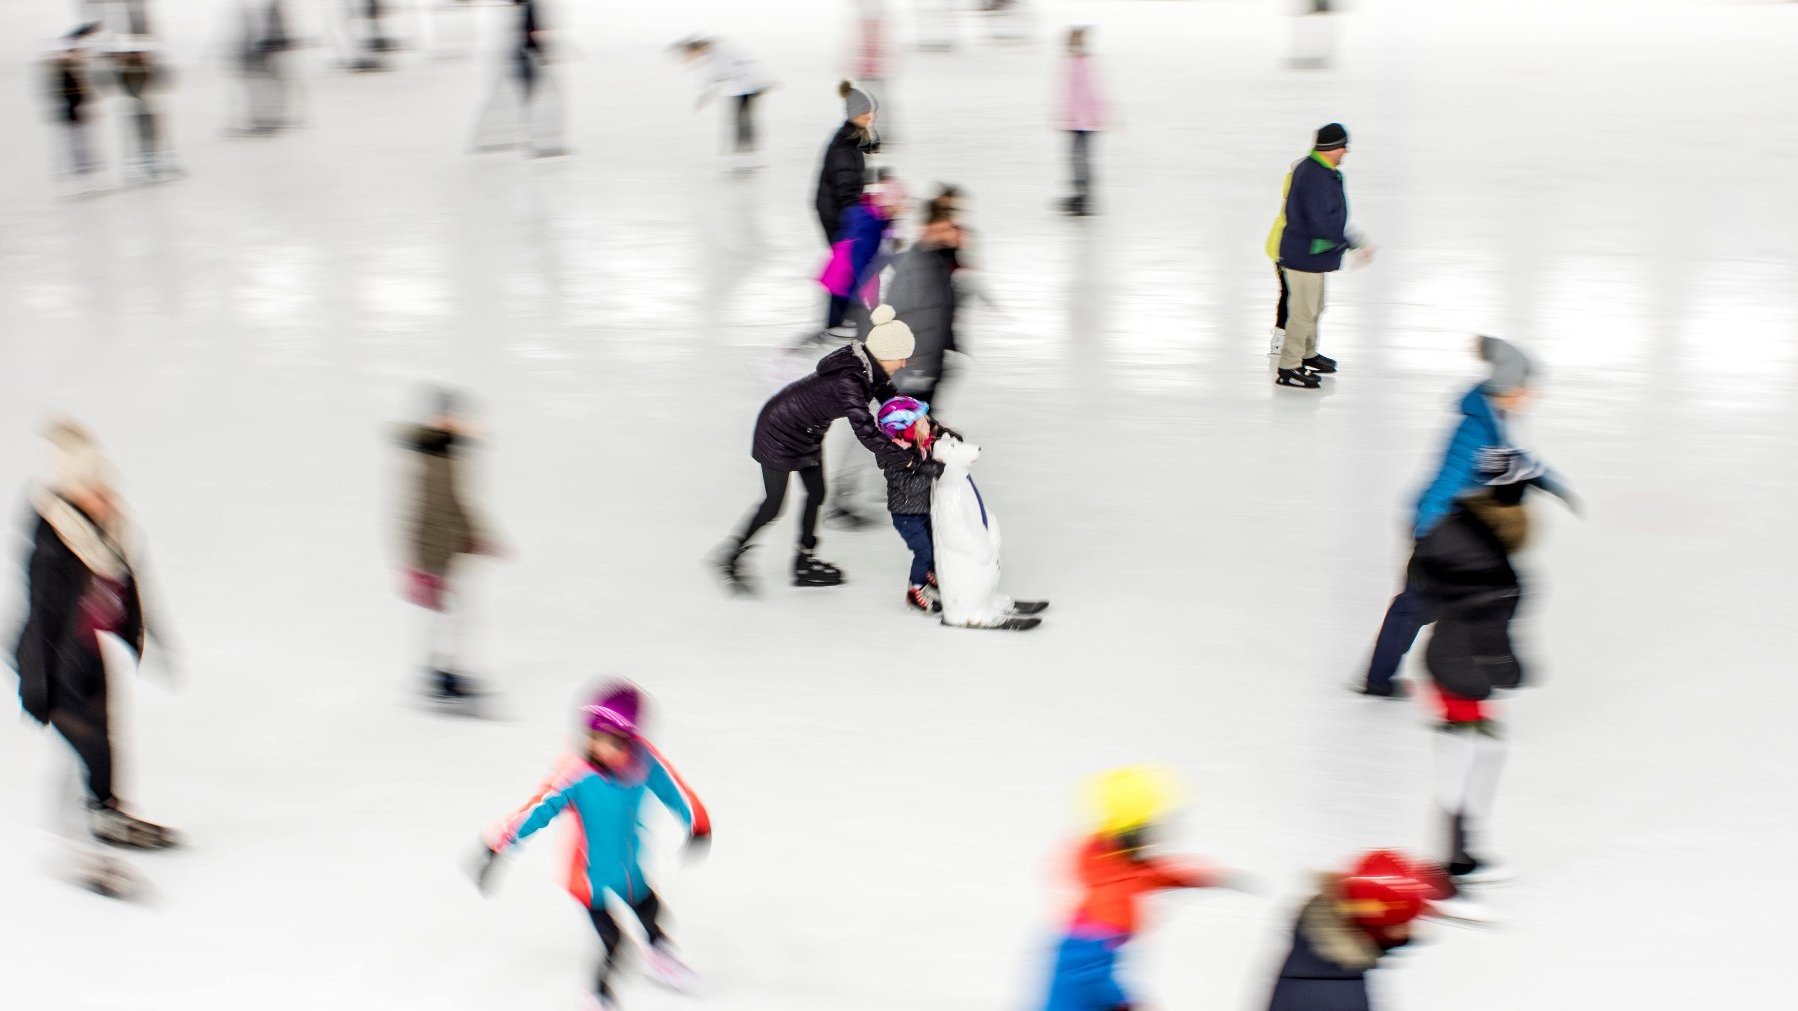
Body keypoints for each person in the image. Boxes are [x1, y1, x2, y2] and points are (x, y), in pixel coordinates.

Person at [12, 421, 179, 897]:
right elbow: (43, 616)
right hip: (51, 659)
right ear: (71, 493)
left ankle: (105, 813)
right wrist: (38, 686)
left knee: (104, 740)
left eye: (103, 486)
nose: (102, 496)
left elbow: (130, 584)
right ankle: (74, 850)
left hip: (88, 652)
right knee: (82, 746)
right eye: (90, 489)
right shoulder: (54, 542)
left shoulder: (112, 529)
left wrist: (149, 636)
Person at [1358, 337, 1571, 698]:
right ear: (1508, 388)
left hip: (1450, 527)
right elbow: (1469, 473)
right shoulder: (1476, 428)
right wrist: (1430, 534)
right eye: (1526, 388)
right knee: (1424, 603)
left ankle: (1392, 676)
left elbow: (1509, 459)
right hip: (1440, 526)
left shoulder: (1488, 418)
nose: (1530, 395)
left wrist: (1544, 478)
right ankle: (1395, 678)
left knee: (1425, 604)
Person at [474, 682, 710, 1007]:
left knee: (653, 911)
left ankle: (658, 955)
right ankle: (598, 996)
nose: (600, 747)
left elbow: (674, 790)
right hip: (588, 878)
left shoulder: (643, 760)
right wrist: (497, 845)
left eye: (611, 741)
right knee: (614, 943)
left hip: (629, 867)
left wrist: (697, 823)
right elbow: (537, 810)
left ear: (629, 739)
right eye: (593, 737)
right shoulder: (576, 773)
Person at [715, 306, 916, 593]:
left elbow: (893, 403)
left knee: (816, 493)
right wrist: (905, 461)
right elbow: (865, 430)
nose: (905, 362)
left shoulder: (870, 368)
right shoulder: (851, 379)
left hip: (806, 431)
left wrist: (924, 423)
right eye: (901, 356)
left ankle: (803, 561)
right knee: (773, 505)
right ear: (884, 353)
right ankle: (729, 557)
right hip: (779, 430)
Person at [1041, 766, 1245, 1010]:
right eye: (1151, 828)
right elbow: (1086, 974)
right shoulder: (1112, 901)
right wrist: (1123, 1003)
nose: (1156, 837)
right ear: (1134, 832)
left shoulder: (1105, 858)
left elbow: (1152, 873)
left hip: (1077, 972)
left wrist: (1205, 877)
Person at [397, 390, 501, 705]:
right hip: (432, 551)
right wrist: (416, 562)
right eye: (446, 417)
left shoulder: (448, 454)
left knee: (452, 615)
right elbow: (420, 508)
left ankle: (443, 672)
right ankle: (437, 675)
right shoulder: (432, 454)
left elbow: (457, 503)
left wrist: (477, 535)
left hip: (447, 547)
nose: (453, 423)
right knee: (445, 614)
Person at [1266, 850, 1443, 1011]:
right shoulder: (1337, 996)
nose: (1410, 930)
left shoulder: (1321, 951)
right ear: (1380, 929)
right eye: (1405, 923)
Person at [1270, 123, 1368, 388]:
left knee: (1316, 307)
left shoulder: (1323, 171)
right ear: (1330, 148)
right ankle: (1289, 366)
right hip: (1303, 255)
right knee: (1302, 312)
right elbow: (1321, 221)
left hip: (1313, 255)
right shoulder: (1314, 175)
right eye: (1342, 147)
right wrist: (1350, 242)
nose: (1345, 152)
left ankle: (1307, 353)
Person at [873, 397, 948, 614]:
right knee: (923, 552)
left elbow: (931, 440)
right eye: (922, 423)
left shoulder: (916, 445)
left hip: (920, 510)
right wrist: (930, 472)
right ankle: (915, 590)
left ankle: (928, 574)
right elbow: (909, 487)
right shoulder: (896, 459)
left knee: (933, 543)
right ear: (906, 431)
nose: (928, 425)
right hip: (906, 515)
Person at [888, 194, 965, 405]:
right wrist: (914, 360)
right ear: (927, 228)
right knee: (911, 418)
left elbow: (942, 309)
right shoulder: (920, 266)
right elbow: (902, 310)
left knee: (922, 415)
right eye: (944, 228)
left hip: (930, 358)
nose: (952, 233)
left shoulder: (939, 261)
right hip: (917, 361)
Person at [470, 0, 564, 157]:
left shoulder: (520, 8)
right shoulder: (529, 7)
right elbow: (530, 33)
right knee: (534, 97)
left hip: (517, 58)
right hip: (526, 59)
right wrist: (544, 54)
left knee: (515, 98)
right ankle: (538, 140)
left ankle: (490, 137)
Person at [673, 35, 771, 170]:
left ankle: (748, 156)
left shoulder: (720, 53)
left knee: (743, 120)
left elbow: (724, 73)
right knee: (740, 120)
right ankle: (744, 154)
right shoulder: (713, 53)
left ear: (697, 48)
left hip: (749, 86)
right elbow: (718, 76)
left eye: (691, 53)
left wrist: (706, 96)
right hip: (743, 86)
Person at [814, 81, 879, 263]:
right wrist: (857, 222)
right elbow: (846, 185)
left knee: (852, 265)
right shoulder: (844, 145)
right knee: (847, 266)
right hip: (836, 213)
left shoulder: (854, 137)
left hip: (839, 209)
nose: (870, 116)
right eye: (864, 112)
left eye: (870, 111)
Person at [104, 35, 182, 183]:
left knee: (153, 135)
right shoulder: (125, 69)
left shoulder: (145, 68)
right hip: (137, 108)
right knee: (139, 136)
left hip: (150, 106)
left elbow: (164, 80)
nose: (140, 55)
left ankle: (154, 162)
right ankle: (143, 164)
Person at [1058, 26, 1104, 216]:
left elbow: (1089, 94)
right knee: (1076, 159)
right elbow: (1070, 95)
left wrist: (1090, 118)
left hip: (1085, 122)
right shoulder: (1073, 63)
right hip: (1077, 121)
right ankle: (1080, 195)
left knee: (1081, 160)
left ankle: (1085, 197)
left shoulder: (1084, 64)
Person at [46, 26, 102, 182]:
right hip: (71, 108)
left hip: (75, 107)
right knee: (76, 137)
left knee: (80, 136)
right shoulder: (65, 68)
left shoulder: (71, 68)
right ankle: (80, 165)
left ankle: (83, 163)